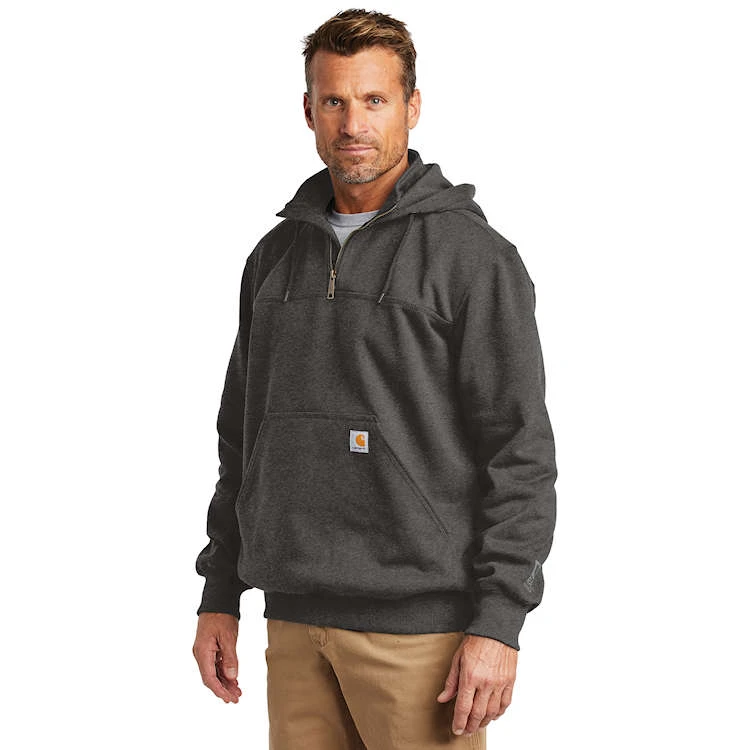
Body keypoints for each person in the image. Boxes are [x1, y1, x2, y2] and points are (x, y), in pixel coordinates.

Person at [192, 9, 557, 749]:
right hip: (293, 622)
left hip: (421, 635)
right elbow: (242, 439)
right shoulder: (273, 259)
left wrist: (499, 622)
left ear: (412, 106)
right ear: (308, 111)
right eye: (334, 100)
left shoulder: (473, 259)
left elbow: (518, 450)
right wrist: (220, 590)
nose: (352, 123)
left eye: (374, 99)